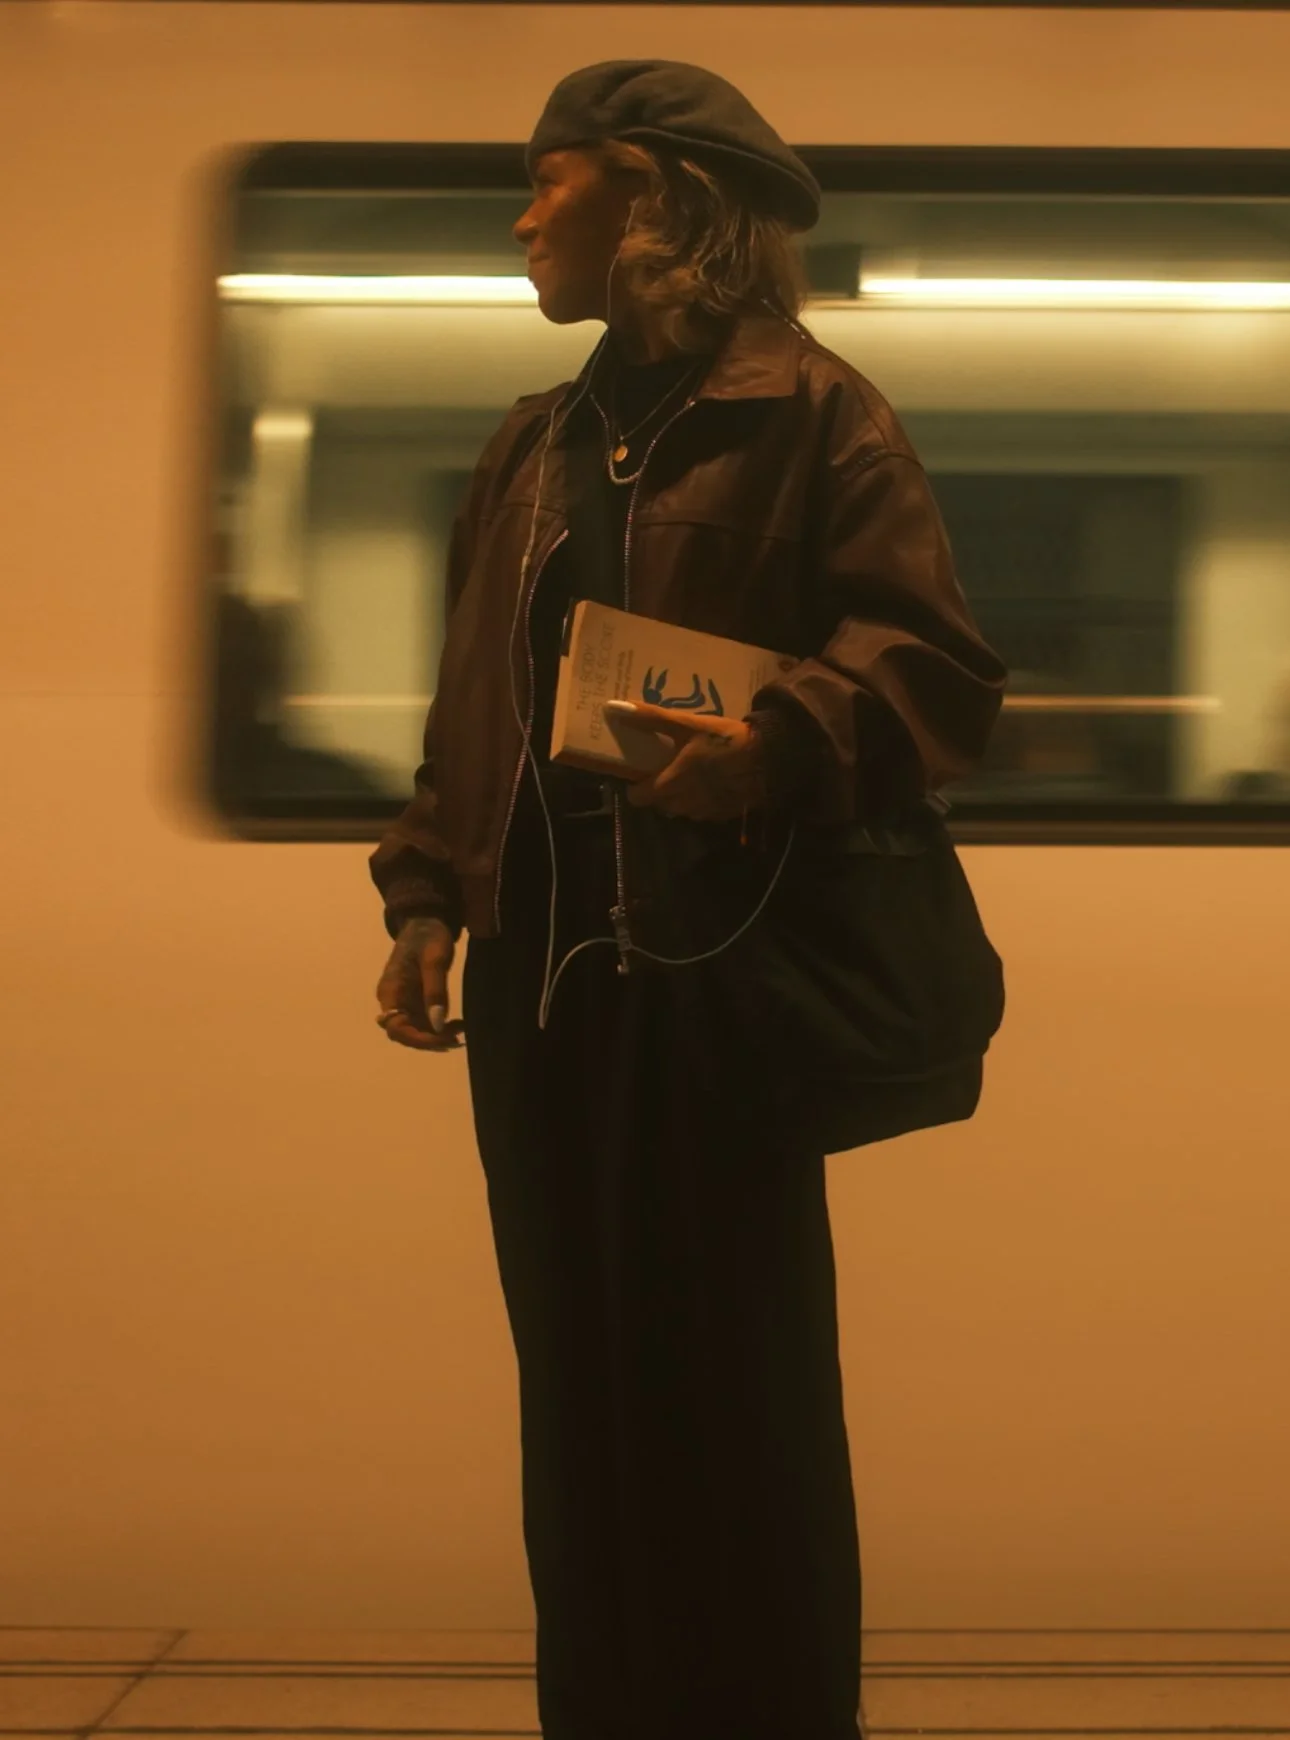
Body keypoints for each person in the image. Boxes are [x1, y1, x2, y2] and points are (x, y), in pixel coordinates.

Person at [370, 60, 1006, 1740]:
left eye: (547, 179)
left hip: (716, 985)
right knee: (576, 1399)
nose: (519, 219)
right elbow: (472, 707)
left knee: (738, 1403)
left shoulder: (814, 416)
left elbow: (929, 668)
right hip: (540, 996)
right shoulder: (535, 442)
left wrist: (774, 742)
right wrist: (426, 893)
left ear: (651, 193)